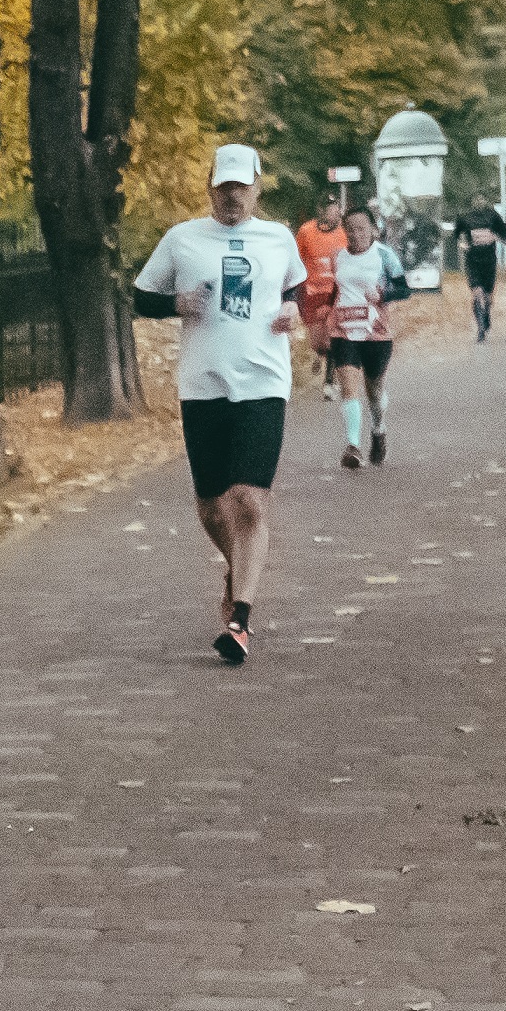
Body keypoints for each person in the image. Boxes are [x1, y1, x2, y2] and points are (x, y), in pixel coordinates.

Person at [130, 142, 310, 665]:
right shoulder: (183, 239)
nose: (232, 197)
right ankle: (236, 567)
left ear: (257, 189)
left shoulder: (277, 238)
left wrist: (292, 313)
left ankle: (241, 620)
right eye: (223, 188)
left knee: (250, 501)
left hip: (263, 382)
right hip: (203, 383)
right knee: (211, 503)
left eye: (241, 188)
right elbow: (140, 296)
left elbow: (295, 289)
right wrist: (174, 304)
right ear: (210, 188)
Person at [325, 204, 403, 470]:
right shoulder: (339, 257)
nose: (355, 234)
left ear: (372, 229)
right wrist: (326, 310)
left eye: (361, 228)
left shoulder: (385, 255)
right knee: (348, 387)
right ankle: (353, 445)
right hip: (344, 331)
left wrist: (382, 296)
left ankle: (379, 430)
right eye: (350, 229)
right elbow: (336, 289)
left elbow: (404, 289)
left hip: (376, 334)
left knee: (374, 390)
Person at [294, 188, 350, 406]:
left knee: (332, 334)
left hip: (336, 292)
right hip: (312, 292)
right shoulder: (306, 232)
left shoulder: (345, 233)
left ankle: (329, 381)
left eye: (333, 207)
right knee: (318, 343)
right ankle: (324, 357)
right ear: (319, 210)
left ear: (339, 210)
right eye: (325, 207)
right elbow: (297, 260)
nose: (329, 211)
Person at [453, 196, 506, 341]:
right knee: (477, 293)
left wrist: (496, 237)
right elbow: (457, 235)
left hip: (489, 260)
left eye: (482, 199)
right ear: (472, 201)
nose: (479, 201)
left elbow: (504, 233)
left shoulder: (493, 216)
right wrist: (463, 243)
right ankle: (480, 328)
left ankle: (487, 313)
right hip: (472, 260)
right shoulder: (465, 218)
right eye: (476, 199)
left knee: (488, 296)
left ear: (485, 200)